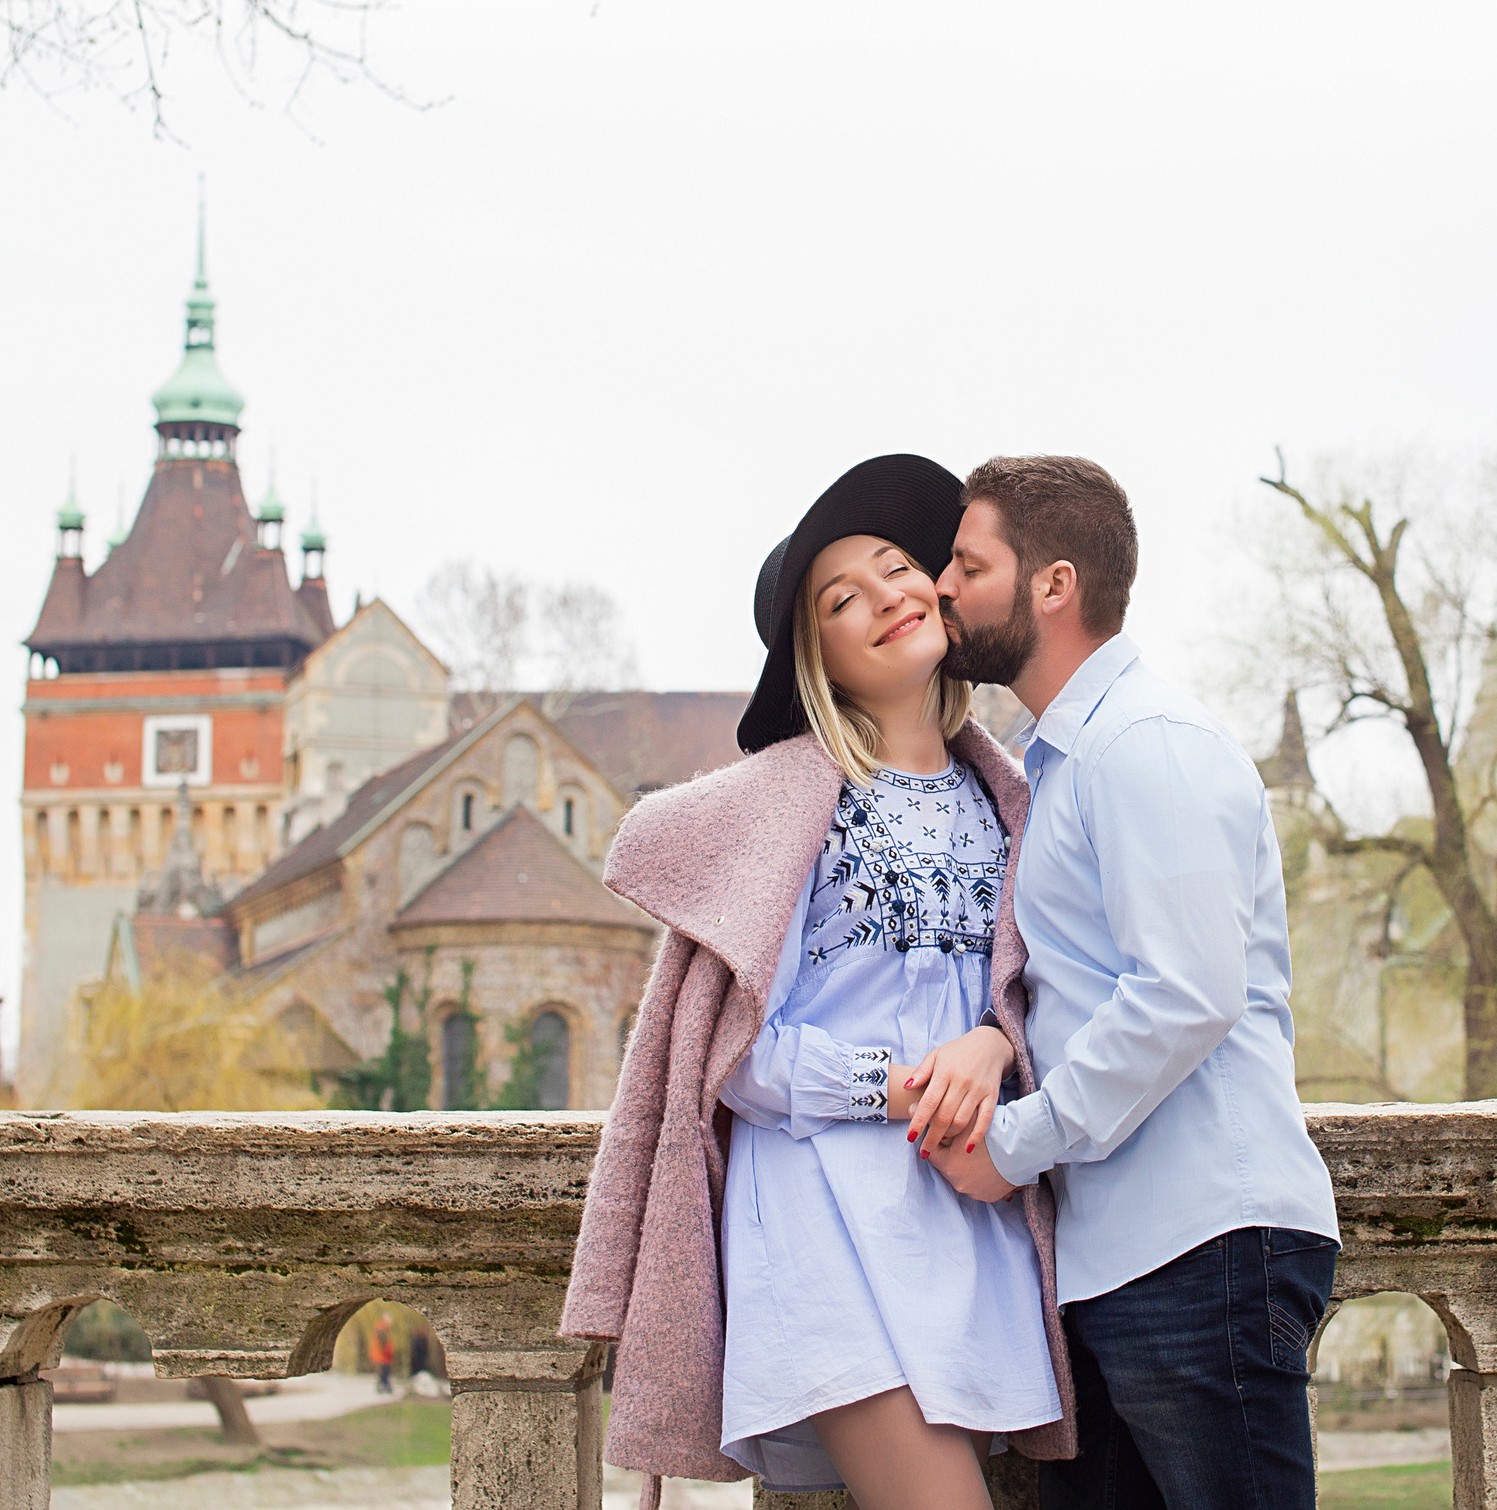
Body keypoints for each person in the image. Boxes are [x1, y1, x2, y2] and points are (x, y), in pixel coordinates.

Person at [560, 454, 1074, 1510]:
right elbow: (734, 1055)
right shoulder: (782, 813)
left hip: (964, 1216)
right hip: (820, 1221)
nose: (885, 595)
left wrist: (989, 1047)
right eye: (843, 599)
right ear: (819, 659)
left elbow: (1038, 1004)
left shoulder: (1017, 803)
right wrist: (897, 1086)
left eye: (897, 568)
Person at [926, 454, 1341, 1510]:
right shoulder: (1063, 763)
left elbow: (1187, 993)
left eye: (968, 566)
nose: (942, 589)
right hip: (1122, 1262)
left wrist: (1015, 1142)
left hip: (1203, 1245)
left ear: (1052, 585)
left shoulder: (1145, 744)